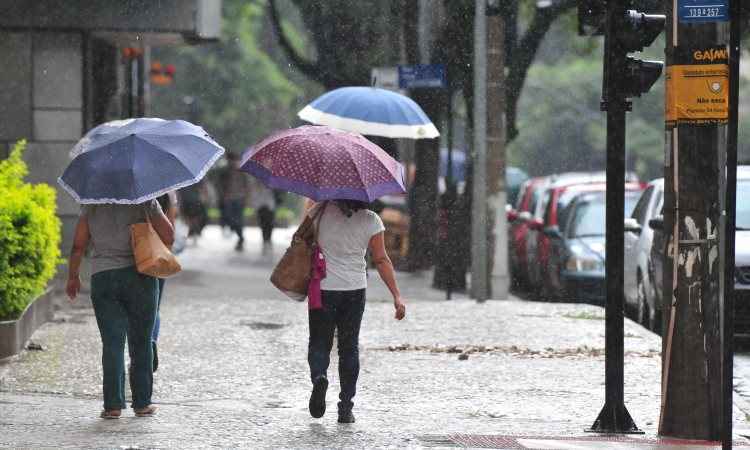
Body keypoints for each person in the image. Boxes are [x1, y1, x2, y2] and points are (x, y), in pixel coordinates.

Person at [66, 199, 174, 419]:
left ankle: (113, 405)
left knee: (112, 343)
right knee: (141, 341)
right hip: (141, 275)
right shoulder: (145, 200)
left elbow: (78, 245)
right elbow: (169, 236)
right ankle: (142, 404)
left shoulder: (91, 204)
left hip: (103, 277)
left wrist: (73, 276)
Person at [306, 200, 406, 424]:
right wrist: (396, 295)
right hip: (354, 290)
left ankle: (319, 376)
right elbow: (381, 259)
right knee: (348, 347)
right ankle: (345, 408)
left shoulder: (318, 213)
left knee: (319, 342)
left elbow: (304, 242)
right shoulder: (371, 219)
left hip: (324, 288)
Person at [151, 191, 179, 372]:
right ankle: (151, 341)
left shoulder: (126, 190)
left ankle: (138, 347)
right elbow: (170, 231)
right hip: (159, 255)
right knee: (154, 307)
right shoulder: (168, 193)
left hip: (134, 254)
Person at [218, 152, 249, 251]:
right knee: (230, 218)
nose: (233, 162)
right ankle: (238, 234)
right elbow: (220, 186)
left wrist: (246, 198)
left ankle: (240, 238)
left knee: (238, 219)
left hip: (239, 198)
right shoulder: (225, 172)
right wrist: (223, 196)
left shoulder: (242, 172)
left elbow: (246, 186)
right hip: (229, 199)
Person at [249, 177, 277, 252]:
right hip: (260, 207)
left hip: (270, 207)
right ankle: (265, 240)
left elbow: (273, 195)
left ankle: (269, 239)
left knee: (270, 225)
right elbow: (254, 196)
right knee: (263, 225)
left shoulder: (271, 182)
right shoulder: (256, 183)